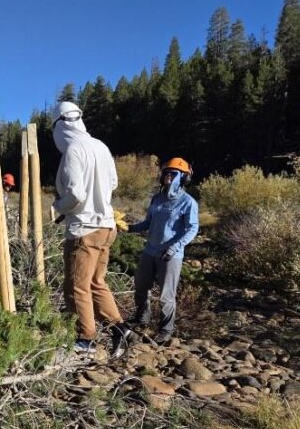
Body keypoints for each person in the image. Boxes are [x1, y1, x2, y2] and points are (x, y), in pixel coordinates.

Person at [50, 102, 132, 357]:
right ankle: (120, 329)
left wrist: (59, 206)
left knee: (77, 286)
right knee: (96, 282)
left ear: (59, 126)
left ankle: (85, 340)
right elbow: (114, 182)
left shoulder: (73, 150)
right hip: (106, 226)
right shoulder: (101, 146)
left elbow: (75, 194)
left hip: (84, 229)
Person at [126, 158, 199, 342]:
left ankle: (166, 330)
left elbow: (192, 229)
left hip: (171, 255)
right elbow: (148, 223)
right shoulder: (157, 199)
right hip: (150, 251)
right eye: (166, 173)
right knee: (141, 286)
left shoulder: (188, 202)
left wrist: (175, 247)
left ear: (183, 178)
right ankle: (142, 318)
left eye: (173, 174)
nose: (168, 177)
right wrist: (128, 228)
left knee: (166, 295)